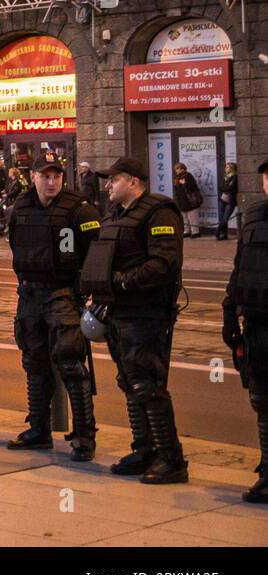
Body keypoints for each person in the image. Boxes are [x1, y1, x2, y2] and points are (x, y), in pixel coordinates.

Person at [80, 157, 187, 484]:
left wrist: (123, 281)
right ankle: (144, 450)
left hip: (145, 313)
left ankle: (171, 458)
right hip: (118, 312)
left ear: (133, 182)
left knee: (147, 384)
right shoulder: (115, 215)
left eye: (113, 180)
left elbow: (164, 263)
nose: (108, 186)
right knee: (129, 382)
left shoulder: (159, 212)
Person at [5, 156, 101, 461]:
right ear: (33, 176)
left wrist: (87, 292)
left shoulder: (79, 208)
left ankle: (84, 436)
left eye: (56, 175)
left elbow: (95, 253)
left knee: (71, 364)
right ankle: (38, 430)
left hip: (62, 294)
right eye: (45, 176)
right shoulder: (21, 206)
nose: (52, 181)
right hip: (29, 294)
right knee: (34, 364)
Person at [222, 156, 268, 503]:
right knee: (261, 400)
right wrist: (228, 312)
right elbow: (240, 266)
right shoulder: (253, 215)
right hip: (256, 324)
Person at [173, 162, 203, 238]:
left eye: (178, 168)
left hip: (190, 200)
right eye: (176, 169)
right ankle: (187, 231)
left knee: (192, 217)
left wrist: (184, 183)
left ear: (183, 168)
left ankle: (195, 232)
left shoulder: (188, 175)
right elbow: (176, 190)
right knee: (185, 217)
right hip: (182, 200)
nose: (177, 170)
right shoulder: (177, 178)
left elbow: (192, 187)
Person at [217, 162, 238, 240]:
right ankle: (223, 234)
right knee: (221, 218)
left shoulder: (234, 177)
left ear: (232, 168)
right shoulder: (225, 177)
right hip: (223, 198)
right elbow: (221, 187)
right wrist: (225, 188)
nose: (226, 169)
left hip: (230, 200)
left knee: (225, 218)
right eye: (226, 167)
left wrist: (225, 188)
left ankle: (218, 231)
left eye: (228, 167)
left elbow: (231, 187)